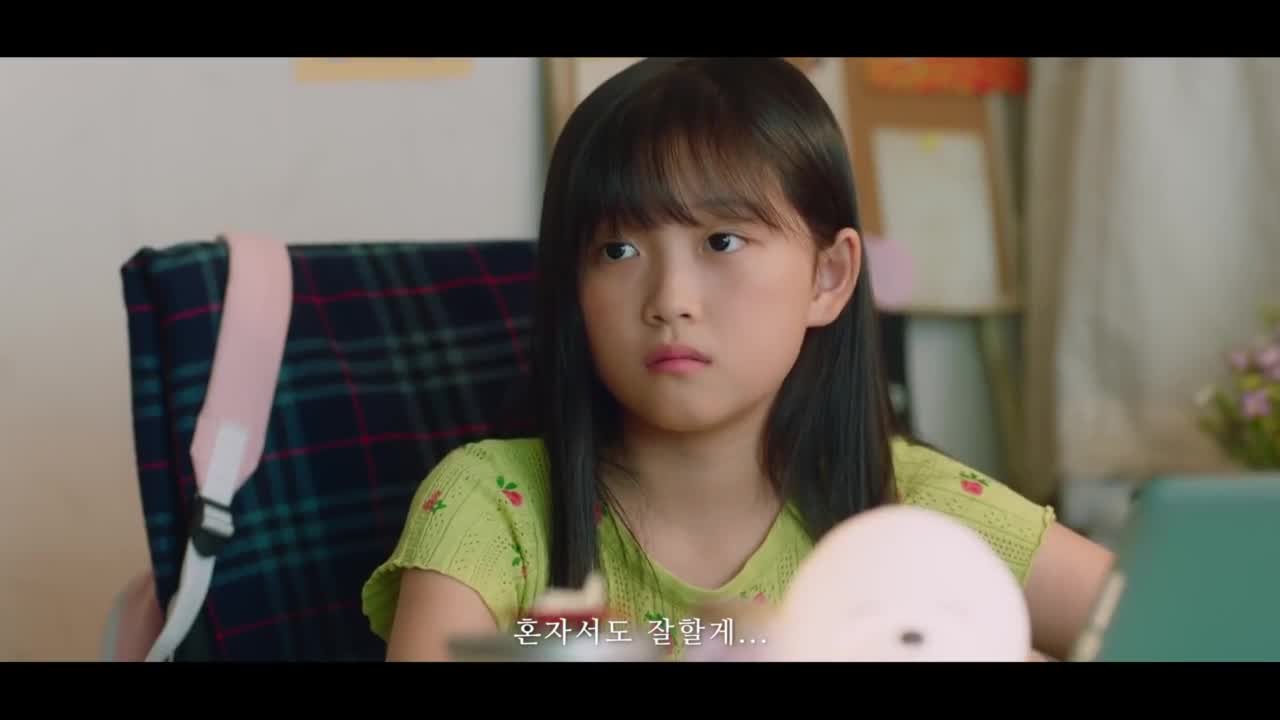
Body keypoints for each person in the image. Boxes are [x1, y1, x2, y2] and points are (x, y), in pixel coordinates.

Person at [360, 57, 1115, 661]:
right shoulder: (492, 506)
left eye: (721, 241)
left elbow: (1167, 630)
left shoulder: (915, 510)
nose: (670, 300)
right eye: (617, 250)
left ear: (828, 277)